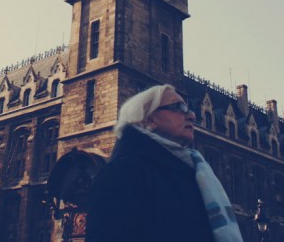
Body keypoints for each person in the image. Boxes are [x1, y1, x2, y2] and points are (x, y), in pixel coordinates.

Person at [86, 84, 243, 242]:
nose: (192, 116)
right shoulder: (123, 172)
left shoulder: (192, 172)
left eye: (188, 108)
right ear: (150, 118)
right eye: (179, 107)